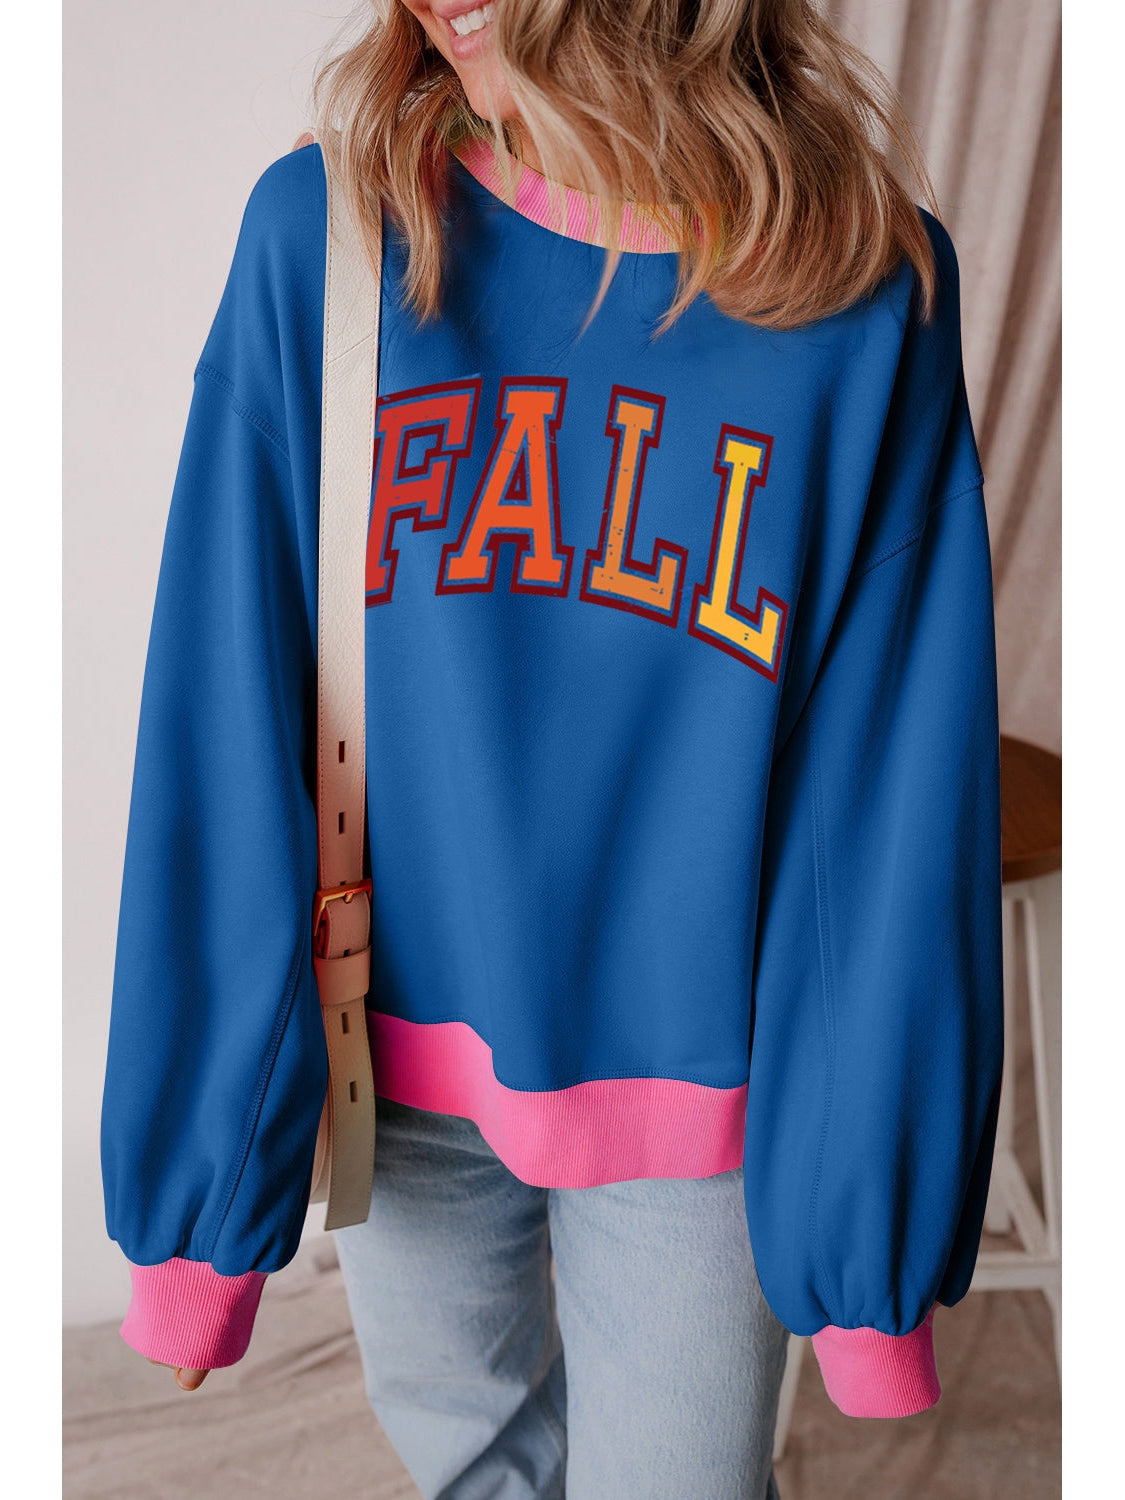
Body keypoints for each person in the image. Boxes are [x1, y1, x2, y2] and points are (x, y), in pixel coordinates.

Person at [99, 2, 1004, 1496]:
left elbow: (885, 792)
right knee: (471, 1466)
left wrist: (868, 1259)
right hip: (385, 1052)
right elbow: (225, 700)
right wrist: (203, 1216)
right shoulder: (332, 236)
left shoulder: (857, 286)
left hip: (701, 1093)